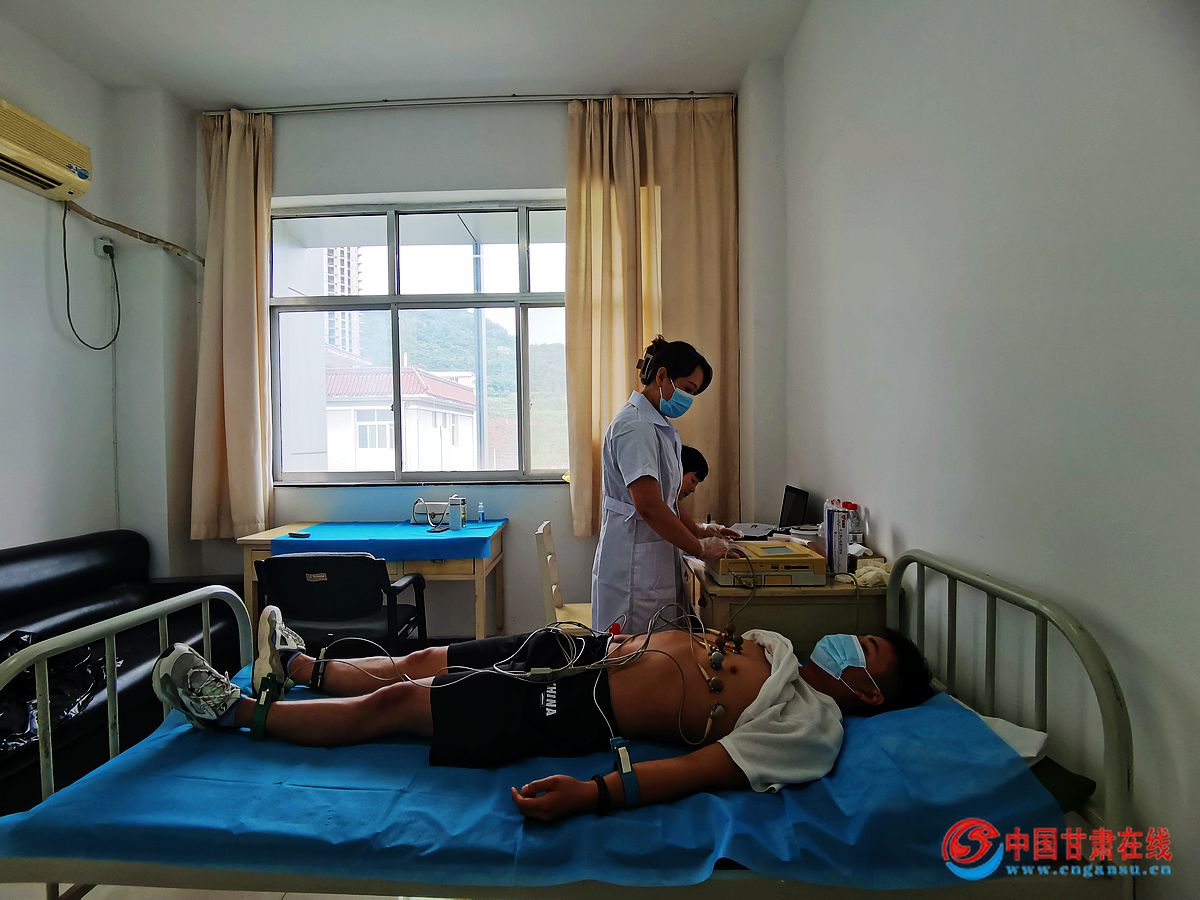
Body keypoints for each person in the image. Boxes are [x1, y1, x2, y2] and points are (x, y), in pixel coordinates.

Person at [152, 605, 936, 824]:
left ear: (870, 691)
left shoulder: (811, 728)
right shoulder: (782, 649)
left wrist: (595, 794)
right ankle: (299, 669)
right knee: (435, 657)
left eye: (864, 647)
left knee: (400, 705)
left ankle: (235, 711)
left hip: (578, 704)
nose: (849, 640)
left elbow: (704, 770)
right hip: (586, 649)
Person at [591, 337, 738, 634]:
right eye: (687, 389)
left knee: (657, 649)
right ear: (661, 376)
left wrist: (700, 530)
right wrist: (700, 548)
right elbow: (648, 505)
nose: (688, 399)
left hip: (649, 562)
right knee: (632, 652)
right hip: (632, 568)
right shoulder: (635, 426)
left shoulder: (659, 426)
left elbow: (667, 500)